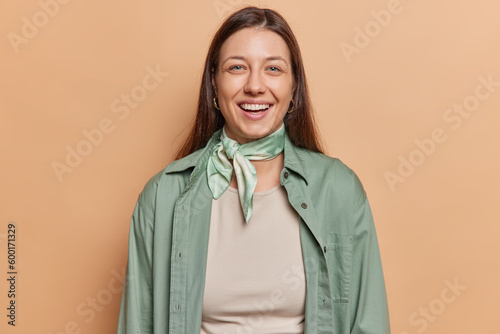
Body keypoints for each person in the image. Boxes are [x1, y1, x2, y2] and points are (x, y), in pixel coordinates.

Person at [117, 6, 390, 334]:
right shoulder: (163, 196)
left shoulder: (340, 191)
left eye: (273, 68)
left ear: (293, 90)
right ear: (214, 85)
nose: (255, 86)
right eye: (237, 68)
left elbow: (369, 324)